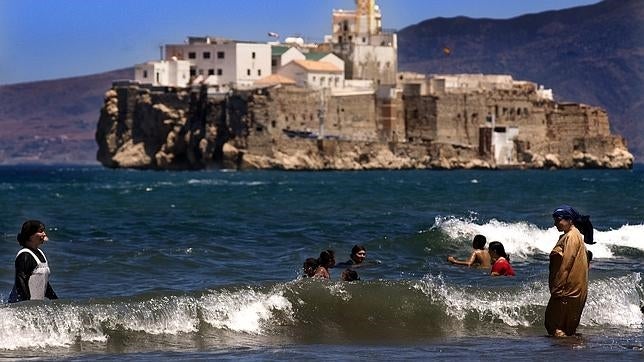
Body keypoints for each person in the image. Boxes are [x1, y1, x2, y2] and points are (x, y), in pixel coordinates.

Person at [545, 205, 594, 337]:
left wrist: (558, 287)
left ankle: (563, 356)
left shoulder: (571, 237)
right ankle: (568, 353)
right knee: (564, 329)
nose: (555, 223)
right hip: (572, 290)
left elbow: (567, 263)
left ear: (570, 220)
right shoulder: (572, 236)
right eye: (554, 219)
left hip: (567, 290)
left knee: (555, 327)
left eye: (558, 219)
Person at [8, 220, 58, 303]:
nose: (44, 234)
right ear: (30, 235)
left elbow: (44, 282)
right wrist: (28, 304)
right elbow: (20, 282)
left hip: (35, 306)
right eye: (41, 231)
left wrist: (55, 301)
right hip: (20, 307)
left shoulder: (40, 253)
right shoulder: (24, 255)